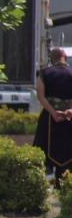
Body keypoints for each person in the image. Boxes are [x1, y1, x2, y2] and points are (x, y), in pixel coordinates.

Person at [34, 47, 72, 181]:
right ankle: (65, 181)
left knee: (44, 149)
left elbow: (41, 96)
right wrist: (69, 111)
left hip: (49, 117)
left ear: (51, 59)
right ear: (65, 58)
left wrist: (53, 112)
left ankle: (45, 177)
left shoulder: (44, 73)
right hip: (69, 118)